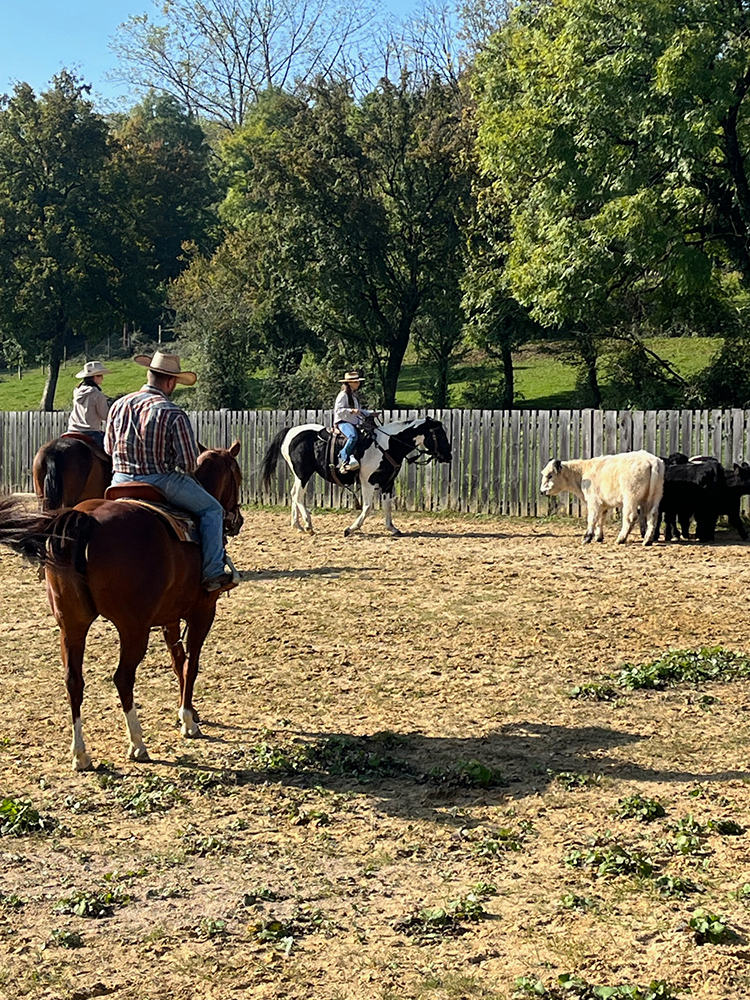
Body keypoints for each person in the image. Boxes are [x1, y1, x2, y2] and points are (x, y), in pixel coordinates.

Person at [105, 352, 239, 593]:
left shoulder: (118, 405)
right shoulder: (172, 411)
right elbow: (189, 463)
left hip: (119, 481)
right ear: (169, 381)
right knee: (212, 510)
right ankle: (213, 572)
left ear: (150, 375)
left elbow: (107, 448)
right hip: (160, 481)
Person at [333, 371, 373, 472]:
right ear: (350, 383)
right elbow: (338, 410)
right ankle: (343, 456)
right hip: (343, 422)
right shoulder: (343, 395)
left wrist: (370, 414)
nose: (358, 384)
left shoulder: (353, 396)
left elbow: (358, 410)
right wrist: (351, 411)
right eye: (356, 382)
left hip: (353, 422)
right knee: (353, 436)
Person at [67, 361, 111, 448]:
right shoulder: (97, 394)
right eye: (100, 375)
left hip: (72, 430)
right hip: (90, 431)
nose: (102, 378)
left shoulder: (76, 391)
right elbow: (104, 415)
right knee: (111, 452)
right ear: (94, 377)